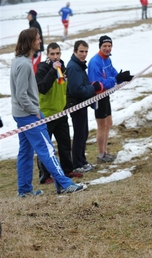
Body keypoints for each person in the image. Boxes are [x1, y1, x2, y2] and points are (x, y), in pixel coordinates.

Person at [10, 28, 87, 197]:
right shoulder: (23, 64)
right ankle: (65, 184)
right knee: (47, 149)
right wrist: (34, 111)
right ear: (30, 42)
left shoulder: (20, 60)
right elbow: (21, 94)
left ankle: (24, 191)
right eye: (37, 39)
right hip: (28, 115)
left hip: (20, 113)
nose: (40, 41)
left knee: (26, 151)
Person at [35, 42, 83, 184]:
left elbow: (66, 89)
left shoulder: (64, 68)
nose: (55, 57)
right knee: (46, 147)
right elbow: (42, 88)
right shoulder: (42, 69)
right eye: (52, 54)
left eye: (58, 53)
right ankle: (44, 175)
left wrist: (68, 104)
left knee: (64, 143)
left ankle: (67, 170)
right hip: (47, 114)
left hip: (61, 112)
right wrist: (52, 71)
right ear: (47, 55)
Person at [88, 36, 133, 163]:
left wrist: (122, 77)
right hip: (98, 96)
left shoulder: (107, 60)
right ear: (100, 47)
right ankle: (101, 154)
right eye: (105, 46)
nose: (107, 48)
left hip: (105, 95)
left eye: (109, 46)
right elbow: (99, 83)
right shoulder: (95, 62)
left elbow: (113, 74)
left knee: (109, 123)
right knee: (102, 126)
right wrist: (115, 79)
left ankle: (105, 151)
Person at [67, 40, 104, 173]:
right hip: (76, 104)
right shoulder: (73, 67)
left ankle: (82, 160)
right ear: (75, 51)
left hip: (82, 104)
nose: (84, 54)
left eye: (86, 51)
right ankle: (77, 164)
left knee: (83, 133)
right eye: (81, 51)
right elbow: (76, 89)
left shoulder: (80, 65)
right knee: (79, 134)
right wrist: (92, 88)